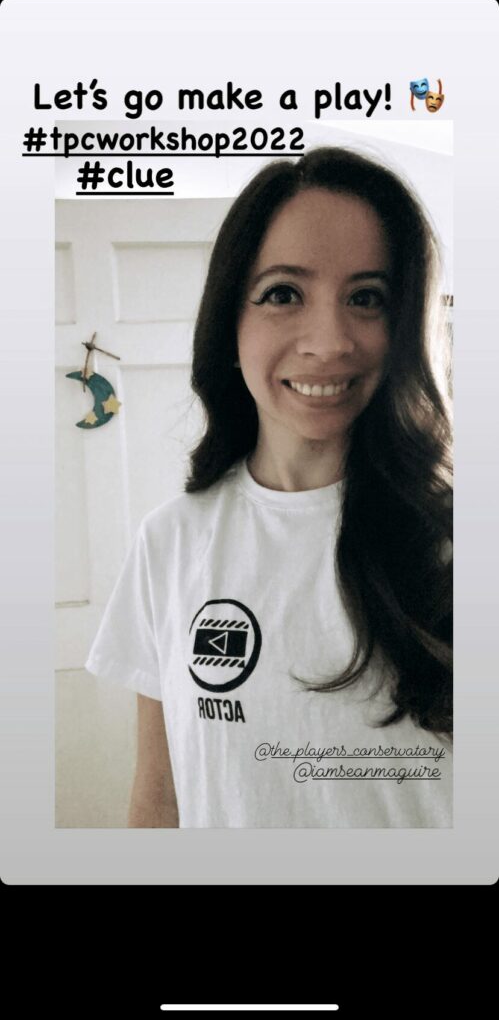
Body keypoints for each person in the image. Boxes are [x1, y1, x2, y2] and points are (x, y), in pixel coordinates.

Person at [85, 146, 453, 828]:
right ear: (231, 319)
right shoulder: (170, 542)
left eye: (366, 298)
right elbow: (160, 798)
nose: (328, 341)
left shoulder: (456, 545)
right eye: (283, 293)